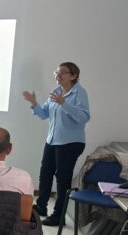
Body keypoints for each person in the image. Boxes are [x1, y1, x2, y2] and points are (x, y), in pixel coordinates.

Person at [23, 62, 90, 226]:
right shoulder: (57, 91)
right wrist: (34, 103)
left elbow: (83, 117)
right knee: (45, 173)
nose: (58, 75)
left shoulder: (79, 93)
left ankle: (59, 216)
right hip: (53, 140)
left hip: (71, 142)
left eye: (62, 72)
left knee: (62, 178)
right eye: (57, 72)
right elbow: (44, 114)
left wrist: (64, 103)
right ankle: (41, 207)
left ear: (73, 76)